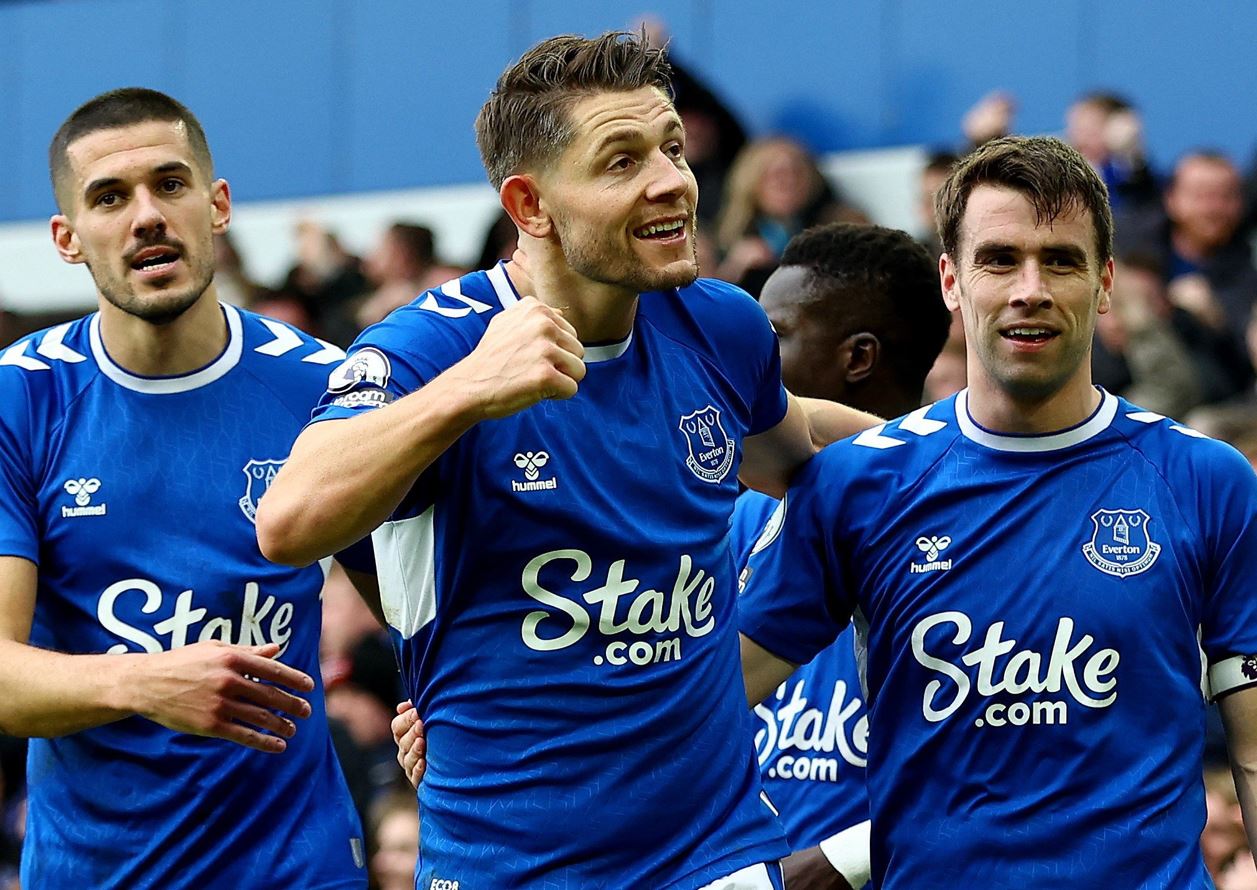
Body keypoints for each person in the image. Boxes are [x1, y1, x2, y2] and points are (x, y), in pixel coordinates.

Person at [258, 31, 873, 890]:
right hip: (507, 862)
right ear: (530, 204)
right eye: (622, 161)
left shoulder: (719, 324)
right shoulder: (432, 349)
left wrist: (962, 450)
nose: (671, 181)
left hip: (713, 854)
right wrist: (468, 390)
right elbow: (289, 523)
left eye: (671, 149)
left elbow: (797, 446)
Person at [738, 136, 1257, 888]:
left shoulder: (1207, 479)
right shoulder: (859, 483)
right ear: (951, 280)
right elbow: (702, 707)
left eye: (1061, 261)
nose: (1030, 289)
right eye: (1000, 259)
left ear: (1105, 282)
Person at [0, 88, 369, 888]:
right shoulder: (19, 398)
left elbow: (416, 613)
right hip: (94, 870)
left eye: (169, 184)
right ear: (67, 239)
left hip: (295, 866)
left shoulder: (325, 385)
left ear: (217, 205)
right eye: (109, 197)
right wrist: (144, 681)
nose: (146, 217)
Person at [734, 222, 950, 890]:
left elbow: (1020, 754)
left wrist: (847, 857)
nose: (748, 355)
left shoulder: (959, 516)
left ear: (857, 358)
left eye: (773, 335)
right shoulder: (740, 514)